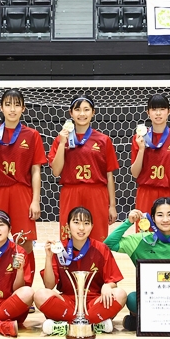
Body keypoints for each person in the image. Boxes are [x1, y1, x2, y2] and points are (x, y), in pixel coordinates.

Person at [104, 197, 170, 336]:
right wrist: (128, 222)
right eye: (160, 215)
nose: (165, 219)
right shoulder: (141, 240)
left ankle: (139, 323)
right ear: (152, 218)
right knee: (131, 299)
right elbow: (108, 244)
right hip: (153, 298)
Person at [0, 88, 47, 285]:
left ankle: (25, 289)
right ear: (1, 108)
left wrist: (35, 201)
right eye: (8, 104)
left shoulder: (32, 135)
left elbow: (35, 171)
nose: (12, 109)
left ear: (23, 108)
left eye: (16, 104)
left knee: (25, 242)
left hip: (21, 191)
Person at [35, 206, 127, 336]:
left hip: (94, 301)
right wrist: (48, 257)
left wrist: (108, 285)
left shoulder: (101, 248)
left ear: (92, 226)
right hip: (68, 301)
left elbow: (113, 281)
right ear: (68, 225)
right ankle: (95, 324)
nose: (81, 228)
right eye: (76, 222)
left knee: (120, 294)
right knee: (40, 295)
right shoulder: (59, 249)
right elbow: (49, 286)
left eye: (86, 223)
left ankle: (66, 325)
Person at [48, 94, 119, 243]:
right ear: (70, 112)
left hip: (96, 192)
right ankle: (68, 266)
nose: (82, 114)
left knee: (98, 240)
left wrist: (112, 205)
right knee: (68, 238)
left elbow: (109, 175)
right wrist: (62, 143)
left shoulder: (103, 140)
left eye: (86, 109)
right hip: (70, 191)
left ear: (93, 112)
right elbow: (56, 171)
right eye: (78, 109)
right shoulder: (61, 139)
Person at [131, 94, 170, 228]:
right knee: (144, 239)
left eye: (162, 109)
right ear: (148, 112)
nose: (158, 113)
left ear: (169, 111)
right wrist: (141, 149)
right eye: (154, 109)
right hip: (146, 193)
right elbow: (135, 173)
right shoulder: (140, 137)